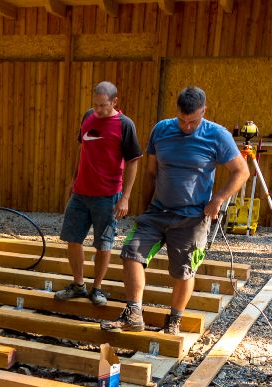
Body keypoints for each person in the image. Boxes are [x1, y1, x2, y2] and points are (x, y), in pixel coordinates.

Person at [101, 86, 249, 335]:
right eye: (182, 120)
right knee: (131, 253)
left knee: (183, 271)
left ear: (204, 111)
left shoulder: (217, 135)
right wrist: (145, 207)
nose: (187, 126)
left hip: (192, 217)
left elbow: (241, 171)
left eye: (193, 121)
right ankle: (134, 314)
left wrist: (218, 199)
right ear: (177, 111)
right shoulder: (161, 130)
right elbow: (151, 173)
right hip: (157, 211)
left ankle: (174, 320)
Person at [54, 81, 143, 307]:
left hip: (108, 196)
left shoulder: (124, 125)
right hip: (80, 193)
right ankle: (78, 285)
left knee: (103, 244)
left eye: (103, 105)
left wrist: (125, 197)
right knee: (72, 239)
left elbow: (133, 161)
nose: (98, 110)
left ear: (114, 102)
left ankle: (97, 288)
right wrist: (73, 180)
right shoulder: (88, 117)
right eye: (95, 105)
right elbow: (82, 149)